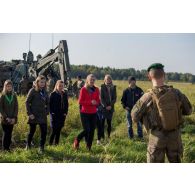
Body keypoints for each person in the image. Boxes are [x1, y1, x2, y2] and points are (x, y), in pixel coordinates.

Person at [131, 63, 192, 163]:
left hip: (157, 137)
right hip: (175, 137)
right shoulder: (176, 93)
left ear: (149, 77)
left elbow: (134, 116)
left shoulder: (147, 97)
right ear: (164, 75)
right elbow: (189, 110)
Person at [73, 74, 100, 151]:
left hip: (94, 112)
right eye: (90, 80)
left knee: (92, 131)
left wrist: (96, 103)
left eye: (93, 80)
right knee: (87, 130)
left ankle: (89, 147)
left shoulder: (97, 89)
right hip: (84, 112)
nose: (92, 81)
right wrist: (91, 102)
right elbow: (80, 101)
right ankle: (77, 139)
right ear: (87, 80)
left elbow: (98, 101)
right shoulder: (83, 89)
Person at [25, 75, 49, 153]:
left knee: (44, 132)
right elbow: (27, 102)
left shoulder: (45, 92)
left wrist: (47, 111)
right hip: (33, 115)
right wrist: (29, 113)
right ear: (37, 82)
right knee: (32, 131)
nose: (42, 84)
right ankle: (28, 145)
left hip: (42, 115)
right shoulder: (32, 90)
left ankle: (41, 148)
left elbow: (48, 103)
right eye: (41, 82)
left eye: (44, 82)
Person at [0, 80, 18, 151]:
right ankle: (5, 148)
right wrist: (5, 116)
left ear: (12, 87)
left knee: (10, 133)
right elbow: (0, 107)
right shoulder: (3, 95)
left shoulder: (14, 95)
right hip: (4, 118)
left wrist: (14, 117)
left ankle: (8, 148)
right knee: (6, 133)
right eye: (7, 86)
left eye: (10, 86)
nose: (9, 87)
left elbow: (16, 106)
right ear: (5, 87)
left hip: (12, 118)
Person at [49, 80, 69, 145]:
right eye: (59, 86)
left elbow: (66, 104)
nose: (61, 87)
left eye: (62, 86)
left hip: (62, 115)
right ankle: (50, 144)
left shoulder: (64, 94)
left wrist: (65, 112)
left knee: (59, 131)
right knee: (54, 131)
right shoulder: (52, 94)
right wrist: (51, 112)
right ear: (56, 86)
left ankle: (56, 144)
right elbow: (49, 105)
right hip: (54, 115)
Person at [100, 75, 117, 141]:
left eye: (109, 79)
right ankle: (102, 136)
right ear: (104, 80)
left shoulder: (113, 87)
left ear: (111, 80)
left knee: (109, 123)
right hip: (104, 108)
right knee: (102, 123)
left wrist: (110, 105)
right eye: (107, 79)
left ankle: (109, 136)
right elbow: (101, 98)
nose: (108, 80)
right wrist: (105, 106)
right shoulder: (102, 87)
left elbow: (114, 98)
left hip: (111, 108)